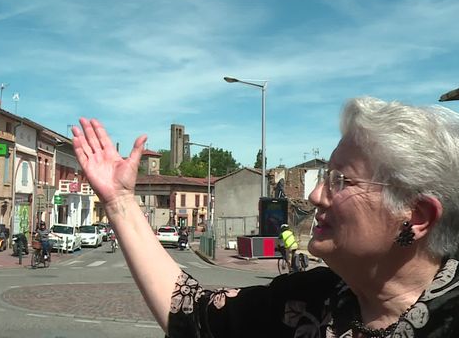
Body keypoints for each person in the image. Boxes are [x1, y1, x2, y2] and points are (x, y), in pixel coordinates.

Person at [71, 97, 459, 337]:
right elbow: (192, 314)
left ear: (416, 214)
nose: (314, 195)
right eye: (324, 176)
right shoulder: (308, 301)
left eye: (340, 181)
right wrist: (121, 202)